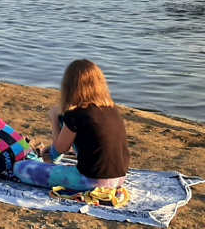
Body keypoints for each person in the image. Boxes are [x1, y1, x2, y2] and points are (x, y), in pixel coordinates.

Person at [13, 59, 130, 191]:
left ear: (69, 86)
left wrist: (54, 119)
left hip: (92, 181)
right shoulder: (111, 109)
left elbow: (61, 148)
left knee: (19, 168)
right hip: (120, 178)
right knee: (64, 120)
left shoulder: (76, 114)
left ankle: (51, 162)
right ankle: (51, 159)